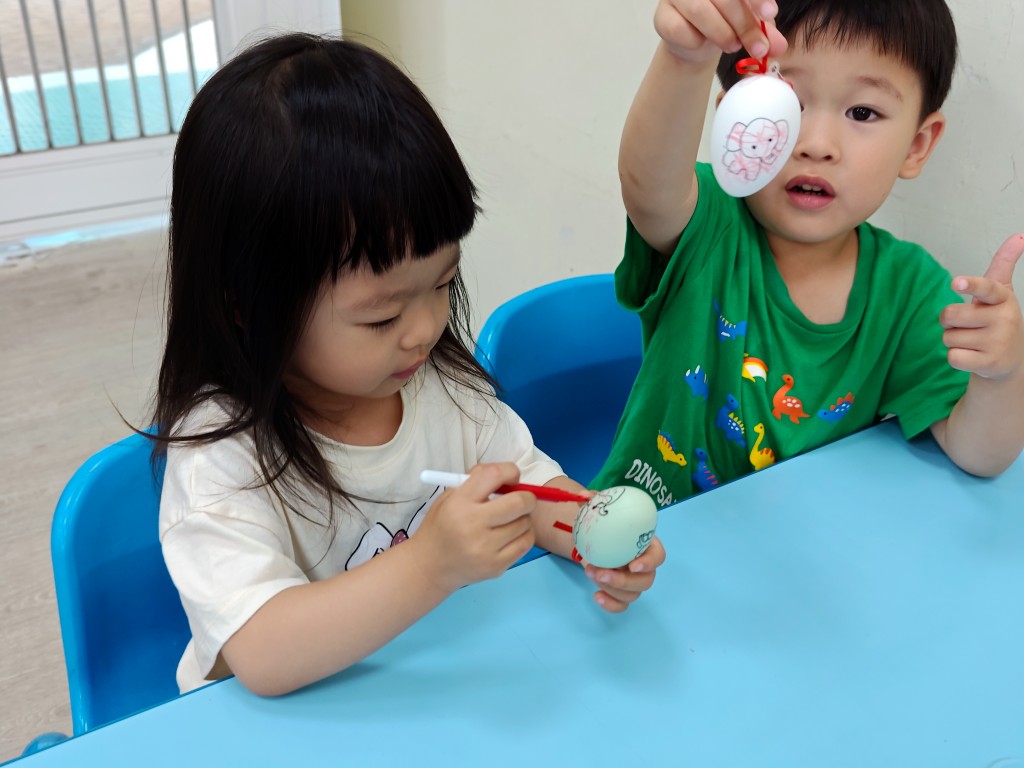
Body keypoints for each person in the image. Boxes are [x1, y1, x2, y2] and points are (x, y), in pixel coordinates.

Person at [153, 33, 665, 697]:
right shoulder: (220, 458)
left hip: (432, 686)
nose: (425, 330)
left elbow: (531, 493)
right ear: (249, 305)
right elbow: (263, 654)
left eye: (442, 283)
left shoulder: (441, 392)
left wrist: (596, 535)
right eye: (381, 316)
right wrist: (430, 565)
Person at [591, 0, 1024, 507]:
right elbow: (649, 187)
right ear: (733, 120)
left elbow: (980, 456)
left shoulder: (909, 291)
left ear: (917, 145)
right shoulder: (707, 226)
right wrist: (685, 59)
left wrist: (1002, 374)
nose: (816, 144)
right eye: (788, 102)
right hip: (645, 538)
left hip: (801, 544)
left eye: (862, 112)